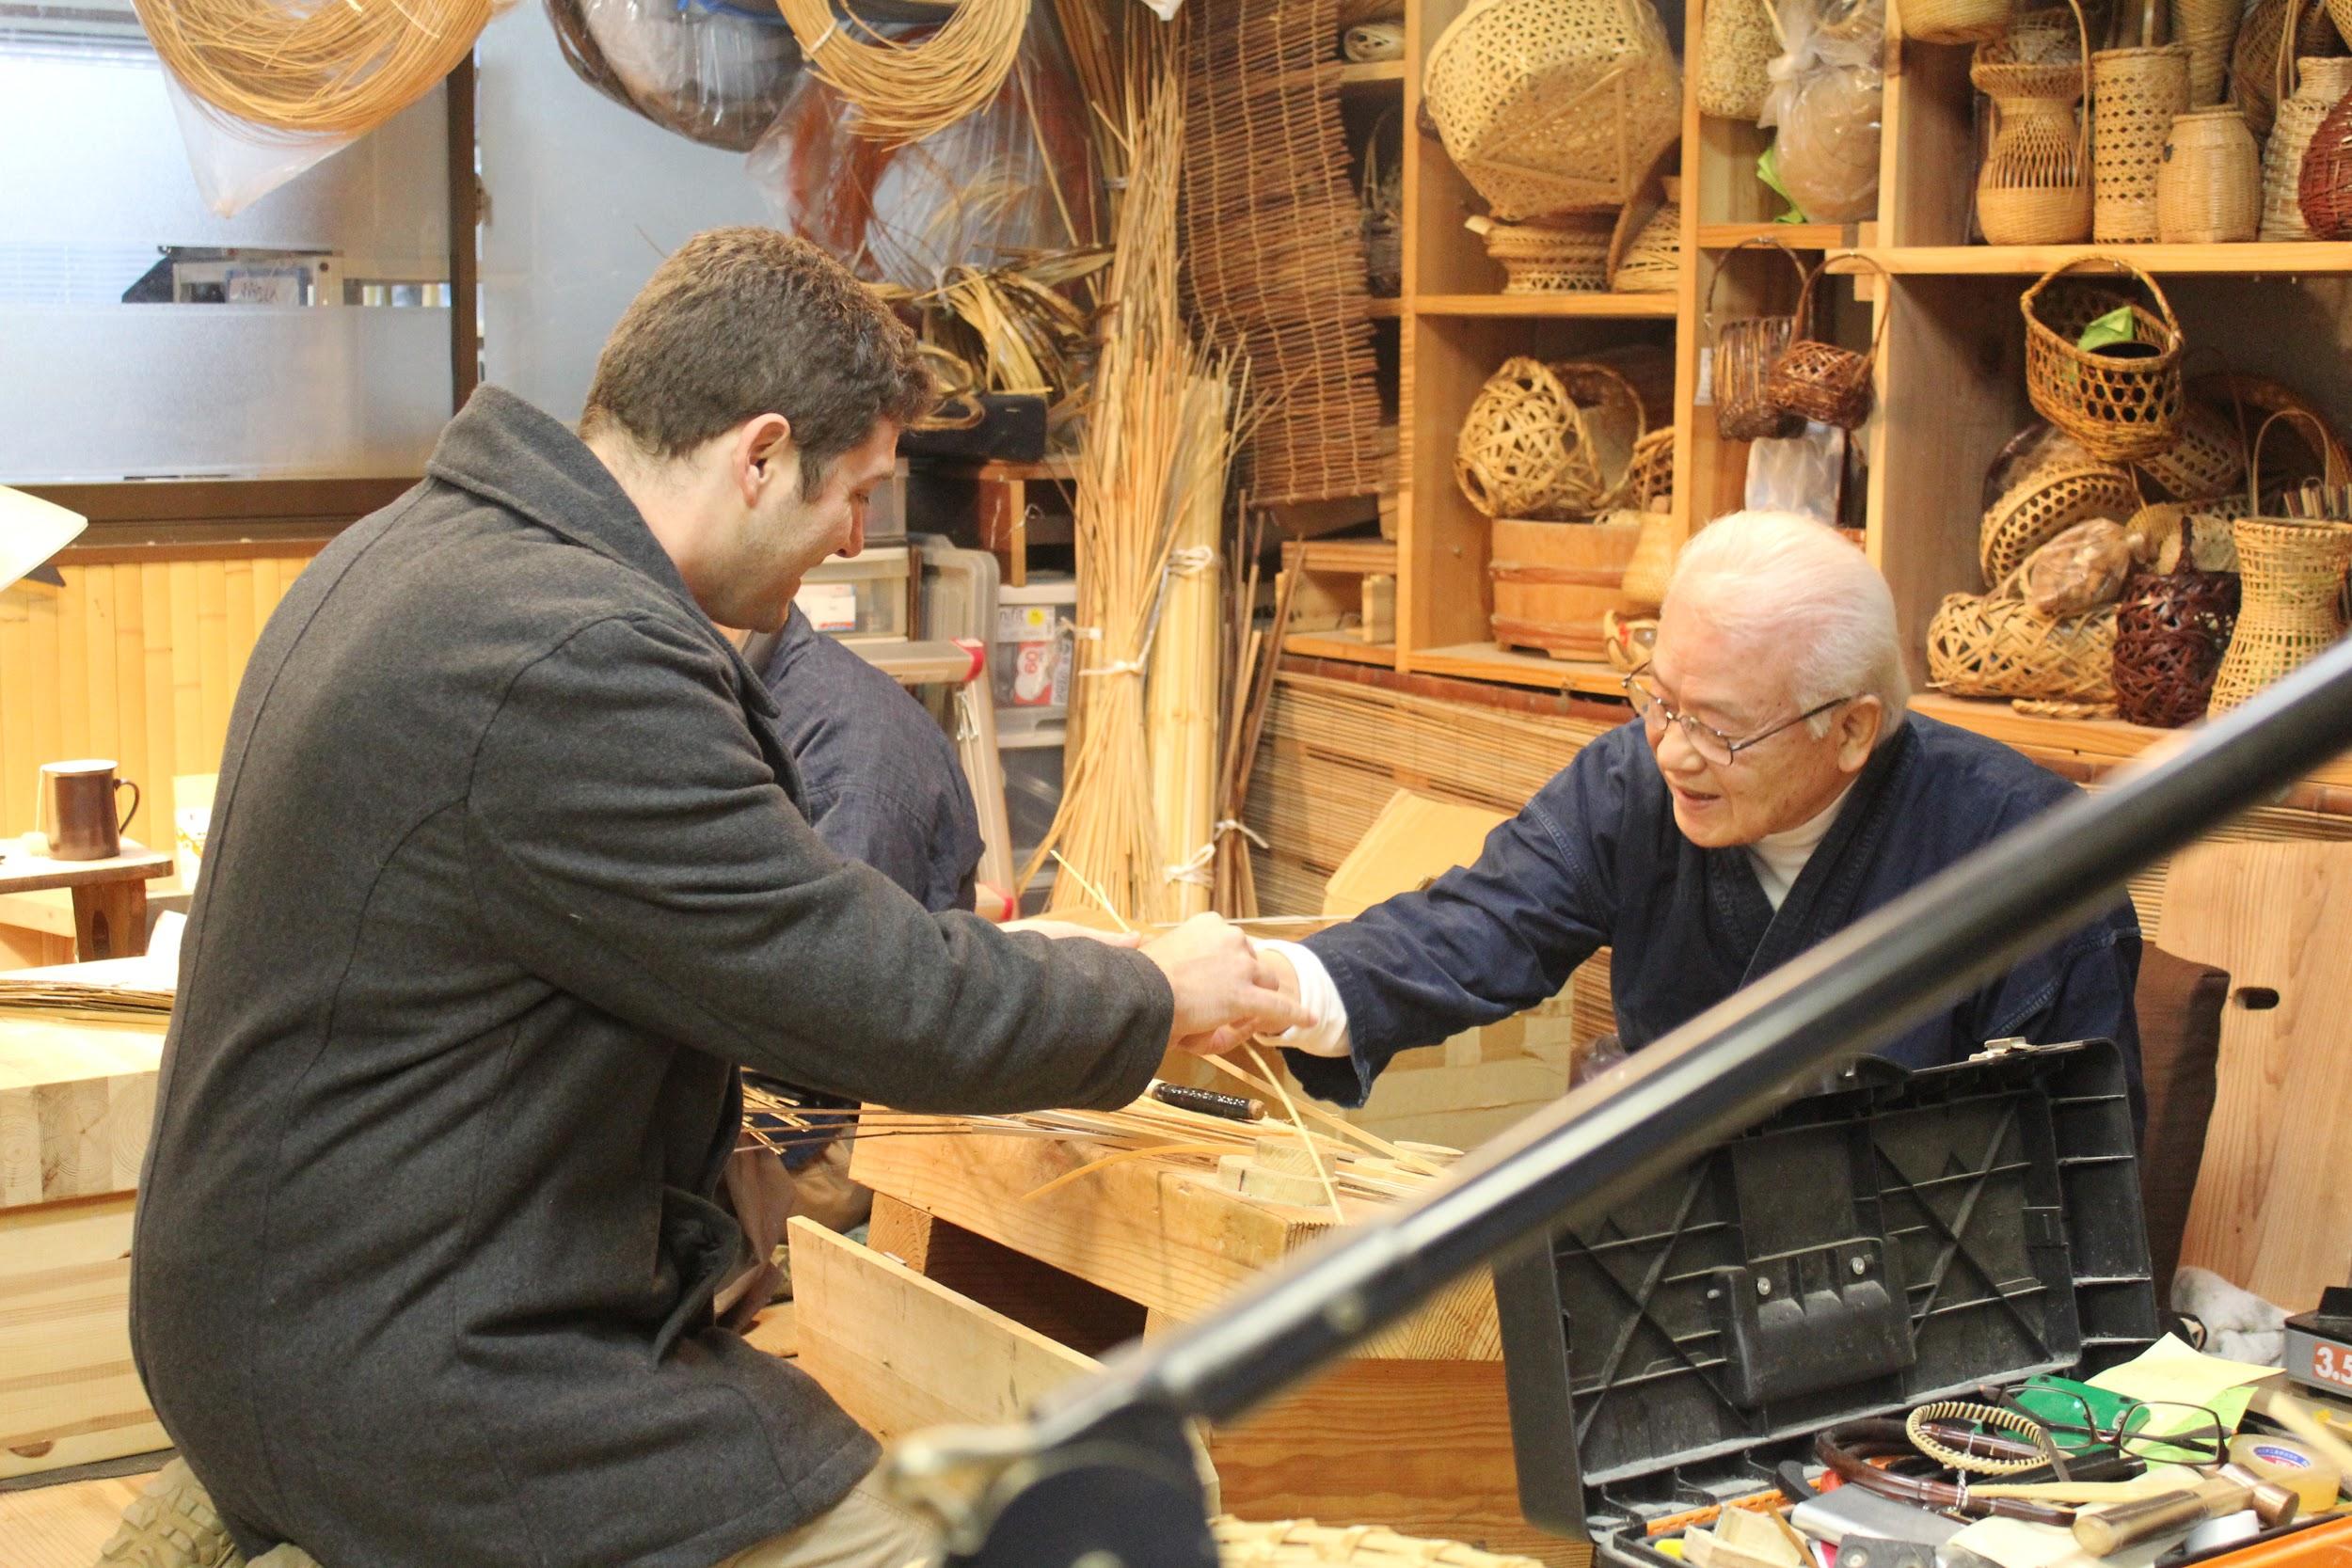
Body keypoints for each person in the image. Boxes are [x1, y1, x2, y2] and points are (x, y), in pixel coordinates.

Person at [125, 227, 1300, 1568]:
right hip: (407, 1363)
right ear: (757, 454)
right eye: (852, 491)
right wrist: (1150, 992)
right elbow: (859, 998)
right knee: (942, 1542)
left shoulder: (410, 551)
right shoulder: (575, 656)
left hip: (272, 1304)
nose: (858, 535)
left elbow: (773, 931)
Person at [1261, 510, 2143, 1112]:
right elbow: (1475, 925)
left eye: (1720, 727)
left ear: (1851, 729)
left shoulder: (2029, 859)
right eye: (1660, 698)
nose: (1673, 750)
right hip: (1681, 1280)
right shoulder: (1634, 787)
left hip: (1934, 1332)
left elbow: (2068, 1199)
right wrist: (1275, 984)